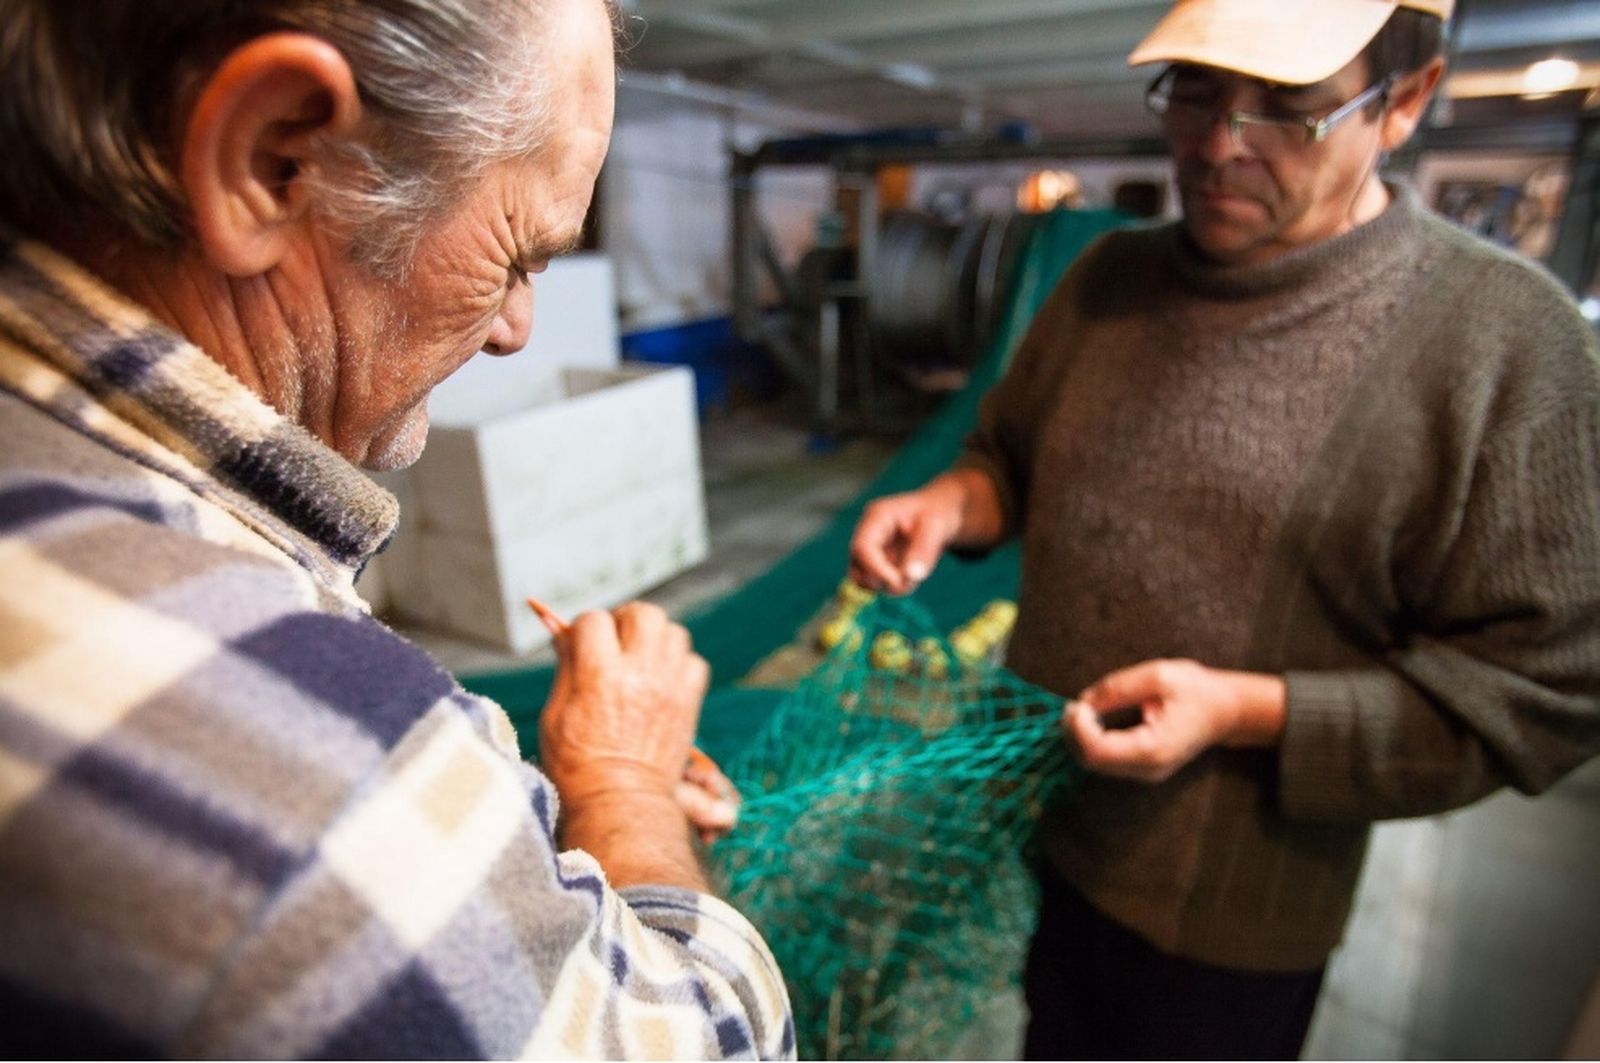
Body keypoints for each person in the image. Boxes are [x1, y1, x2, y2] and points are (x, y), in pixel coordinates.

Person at [0, 0, 791, 1057]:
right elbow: (719, 1041)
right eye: (518, 254)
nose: (517, 329)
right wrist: (622, 782)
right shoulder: (295, 773)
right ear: (275, 156)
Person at [850, 0, 1600, 1057]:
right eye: (1194, 93)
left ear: (1406, 103)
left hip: (1231, 914)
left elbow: (1543, 691)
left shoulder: (1504, 347)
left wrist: (1243, 710)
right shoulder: (1108, 281)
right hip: (1049, 822)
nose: (1212, 146)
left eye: (1285, 111)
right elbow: (1011, 462)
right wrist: (950, 505)